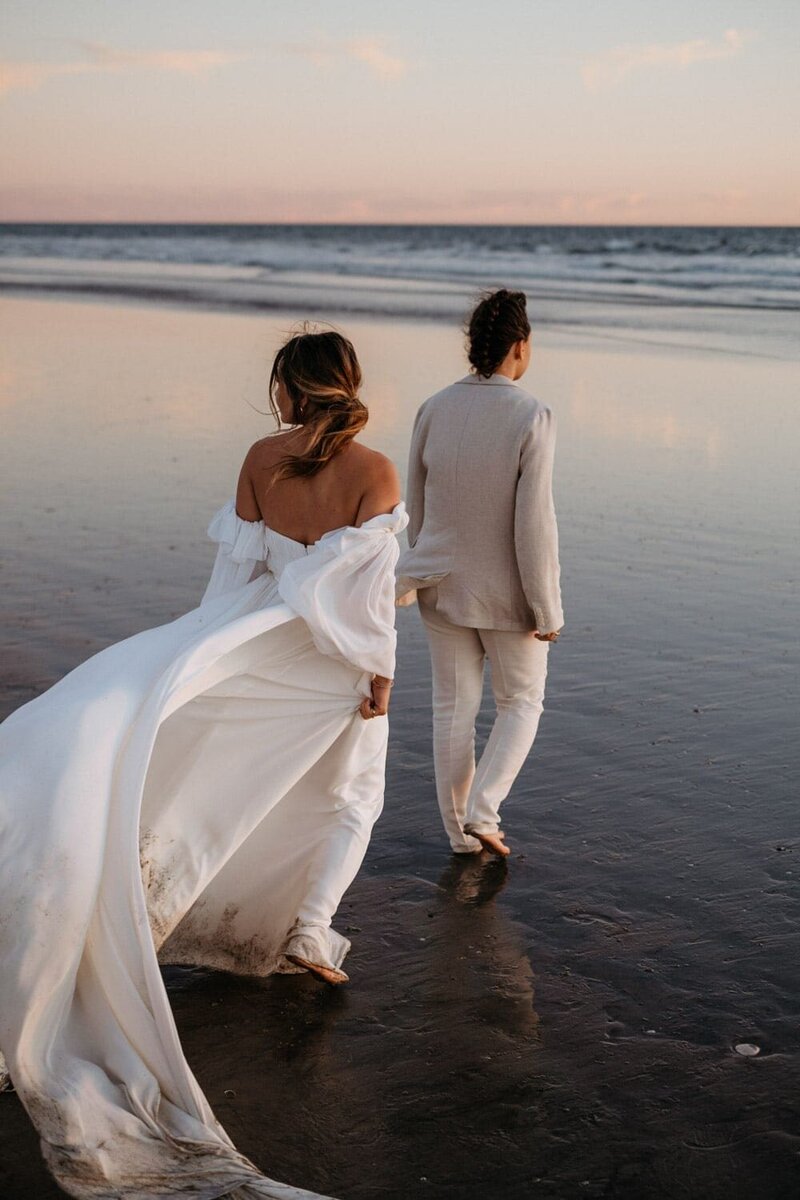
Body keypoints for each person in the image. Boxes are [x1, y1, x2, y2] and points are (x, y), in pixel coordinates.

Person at [0, 328, 403, 1198]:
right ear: (351, 385)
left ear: (286, 389)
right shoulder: (375, 472)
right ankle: (299, 929)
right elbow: (366, 601)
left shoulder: (261, 458)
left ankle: (236, 921)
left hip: (251, 641)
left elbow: (235, 578)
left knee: (199, 780)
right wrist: (379, 676)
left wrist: (200, 662)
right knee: (345, 790)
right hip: (325, 662)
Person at [397, 289, 563, 858]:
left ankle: (460, 838)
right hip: (507, 592)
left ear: (475, 347)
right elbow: (533, 524)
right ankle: (483, 813)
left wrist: (417, 570)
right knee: (521, 703)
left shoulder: (433, 407)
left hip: (438, 583)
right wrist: (546, 608)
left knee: (454, 709)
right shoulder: (531, 414)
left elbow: (415, 506)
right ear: (521, 345)